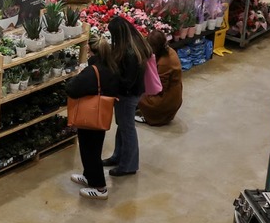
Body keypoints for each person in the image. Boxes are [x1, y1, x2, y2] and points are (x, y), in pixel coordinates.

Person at [66, 35, 121, 200]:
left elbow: (72, 89)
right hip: (100, 116)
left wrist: (78, 75)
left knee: (90, 150)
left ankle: (99, 187)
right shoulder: (111, 67)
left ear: (93, 52)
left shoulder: (93, 71)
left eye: (88, 51)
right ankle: (89, 175)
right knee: (93, 148)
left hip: (89, 117)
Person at [103, 17, 152, 177]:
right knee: (123, 127)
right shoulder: (137, 43)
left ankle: (128, 165)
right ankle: (118, 156)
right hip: (132, 94)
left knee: (127, 129)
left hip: (127, 95)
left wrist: (111, 81)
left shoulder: (129, 52)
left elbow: (127, 81)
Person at [136, 30, 183, 126]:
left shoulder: (164, 62)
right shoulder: (170, 51)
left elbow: (159, 89)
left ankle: (150, 115)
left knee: (136, 94)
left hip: (166, 98)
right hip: (175, 93)